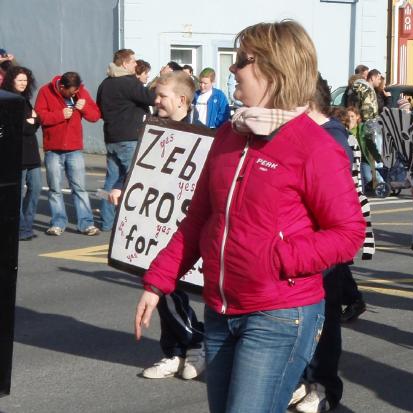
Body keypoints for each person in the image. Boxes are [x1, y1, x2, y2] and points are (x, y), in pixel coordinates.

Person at [134, 20, 365, 413]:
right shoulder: (229, 135)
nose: (232, 69)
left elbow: (348, 232)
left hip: (280, 313)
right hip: (222, 310)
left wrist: (280, 257)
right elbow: (199, 217)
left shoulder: (314, 145)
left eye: (243, 61)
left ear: (275, 70)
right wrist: (157, 281)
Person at [288, 74, 359, 413]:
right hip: (300, 244)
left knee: (324, 324)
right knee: (303, 322)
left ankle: (324, 387)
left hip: (320, 248)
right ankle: (304, 380)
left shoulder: (330, 140)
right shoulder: (303, 134)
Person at [140, 71, 205, 380]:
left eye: (162, 96)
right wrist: (123, 192)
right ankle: (175, 352)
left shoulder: (203, 137)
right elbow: (144, 176)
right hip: (156, 228)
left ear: (181, 99)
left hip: (188, 231)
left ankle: (195, 341)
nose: (156, 101)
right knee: (163, 289)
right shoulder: (154, 132)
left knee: (173, 290)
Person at [35, 71, 101, 236]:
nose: (74, 94)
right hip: (53, 149)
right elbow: (40, 116)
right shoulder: (45, 91)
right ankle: (58, 223)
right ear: (62, 87)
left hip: (74, 148)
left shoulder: (80, 92)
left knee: (80, 188)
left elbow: (95, 116)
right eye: (71, 92)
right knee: (55, 188)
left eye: (76, 91)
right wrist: (59, 115)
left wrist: (84, 106)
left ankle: (86, 224)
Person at [96, 49, 156, 231]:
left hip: (111, 137)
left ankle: (107, 222)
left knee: (112, 180)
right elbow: (151, 98)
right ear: (124, 63)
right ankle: (131, 222)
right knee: (133, 179)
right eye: (133, 62)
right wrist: (160, 83)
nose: (136, 65)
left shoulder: (105, 84)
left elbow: (99, 106)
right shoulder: (128, 82)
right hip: (129, 137)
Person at [1, 66, 41, 241]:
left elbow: (36, 120)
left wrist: (33, 120)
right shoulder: (8, 100)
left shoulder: (24, 99)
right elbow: (19, 128)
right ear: (12, 81)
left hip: (31, 154)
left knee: (36, 189)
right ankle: (19, 228)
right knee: (16, 193)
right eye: (20, 80)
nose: (24, 84)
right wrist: (31, 121)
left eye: (26, 80)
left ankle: (26, 225)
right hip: (17, 154)